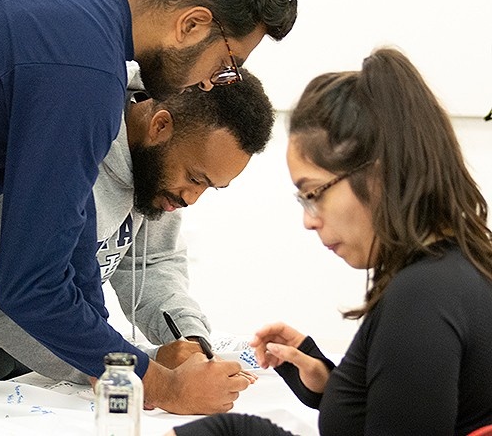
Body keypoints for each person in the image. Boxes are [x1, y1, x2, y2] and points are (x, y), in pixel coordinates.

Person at [0, 0, 298, 418]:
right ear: (191, 24)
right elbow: (31, 286)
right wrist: (160, 385)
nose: (214, 83)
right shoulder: (82, 67)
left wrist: (117, 359)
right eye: (227, 63)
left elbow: (74, 240)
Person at [167, 47, 492, 435]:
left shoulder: (422, 295)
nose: (308, 220)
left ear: (377, 175)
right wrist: (333, 384)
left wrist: (243, 431)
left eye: (314, 193)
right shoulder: (459, 268)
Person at [0, 64, 274, 397]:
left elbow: (151, 263)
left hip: (50, 342)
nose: (191, 198)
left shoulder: (155, 169)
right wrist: (147, 369)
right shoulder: (66, 145)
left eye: (211, 186)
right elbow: (15, 301)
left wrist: (188, 338)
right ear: (160, 125)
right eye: (194, 178)